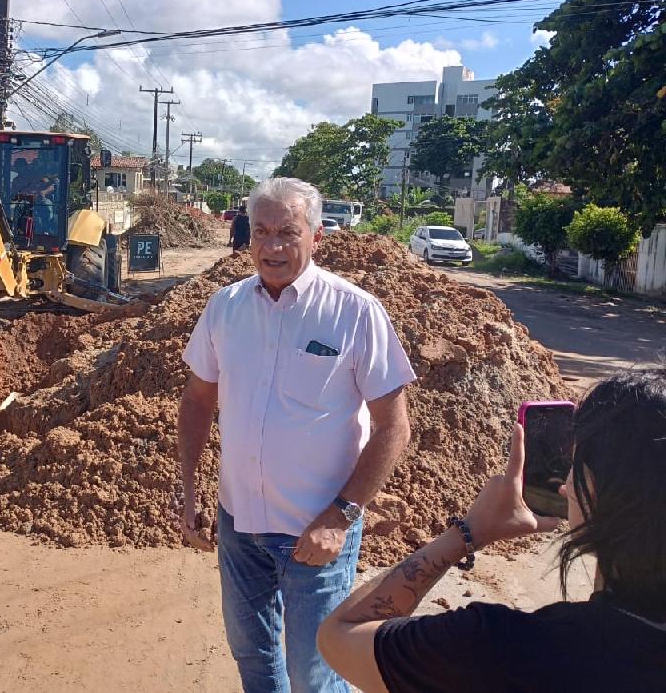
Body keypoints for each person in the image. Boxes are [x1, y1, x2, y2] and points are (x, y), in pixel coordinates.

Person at [178, 176, 416, 693]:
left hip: (318, 533)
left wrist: (341, 516)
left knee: (315, 673)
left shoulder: (355, 312)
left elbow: (394, 426)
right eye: (260, 231)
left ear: (317, 236)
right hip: (239, 527)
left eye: (288, 232)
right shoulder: (226, 307)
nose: (272, 246)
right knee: (254, 660)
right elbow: (197, 398)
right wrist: (191, 486)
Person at [319, 368, 666, 692]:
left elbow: (341, 636)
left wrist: (467, 532)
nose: (563, 486)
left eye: (575, 465)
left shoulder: (509, 648)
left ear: (600, 489)